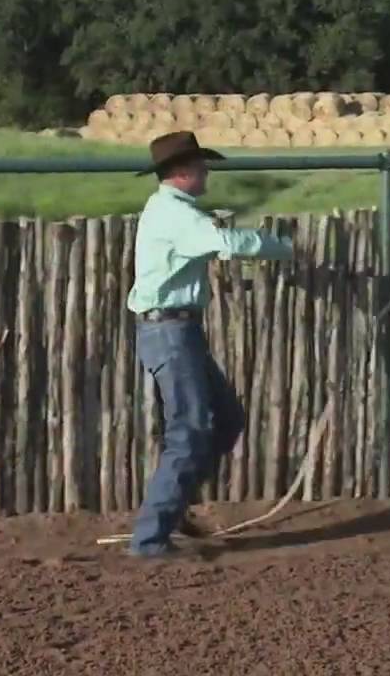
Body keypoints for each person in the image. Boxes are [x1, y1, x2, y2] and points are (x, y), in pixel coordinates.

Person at [124, 130, 295, 558]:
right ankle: (150, 539)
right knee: (192, 430)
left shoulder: (173, 210)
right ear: (182, 171)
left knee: (224, 419)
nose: (206, 173)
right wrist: (279, 247)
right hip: (170, 332)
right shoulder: (177, 215)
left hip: (176, 330)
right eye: (201, 167)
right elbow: (225, 243)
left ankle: (172, 507)